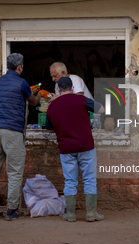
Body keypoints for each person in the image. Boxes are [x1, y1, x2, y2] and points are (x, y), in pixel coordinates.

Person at [0, 53, 43, 221]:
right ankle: (12, 209)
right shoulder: (22, 83)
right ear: (19, 67)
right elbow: (32, 101)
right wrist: (39, 94)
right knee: (15, 172)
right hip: (12, 132)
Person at [45, 76, 104, 222]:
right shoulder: (81, 100)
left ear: (58, 89)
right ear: (72, 88)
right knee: (89, 179)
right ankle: (91, 213)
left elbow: (50, 130)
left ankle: (70, 214)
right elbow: (101, 109)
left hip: (67, 149)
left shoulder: (52, 106)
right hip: (86, 147)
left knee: (70, 181)